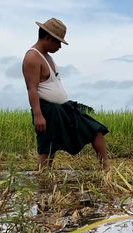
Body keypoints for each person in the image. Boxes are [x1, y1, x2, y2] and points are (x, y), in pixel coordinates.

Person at [22, 17, 111, 171]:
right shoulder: (32, 57)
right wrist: (38, 115)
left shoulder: (47, 57)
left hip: (63, 108)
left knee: (95, 129)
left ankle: (106, 168)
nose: (59, 47)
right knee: (47, 150)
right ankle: (42, 181)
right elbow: (32, 89)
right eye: (58, 42)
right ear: (48, 38)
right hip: (47, 110)